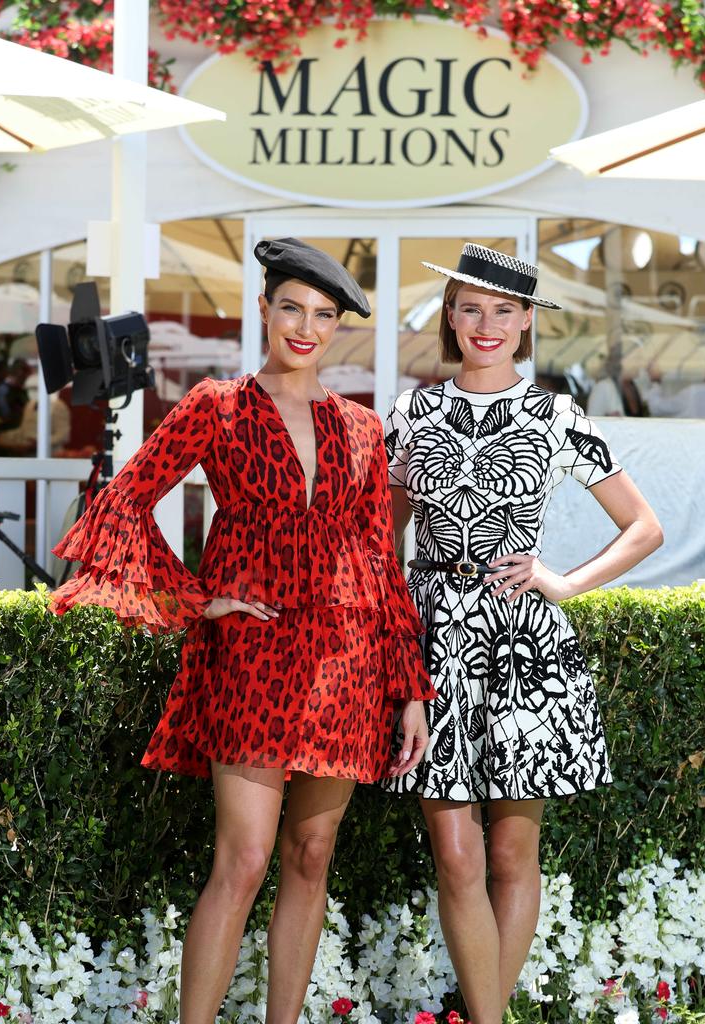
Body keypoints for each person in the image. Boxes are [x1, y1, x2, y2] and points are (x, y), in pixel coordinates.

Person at [50, 237, 437, 1024]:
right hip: (253, 658)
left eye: (324, 315)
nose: (305, 327)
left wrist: (409, 692)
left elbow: (380, 562)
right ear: (263, 310)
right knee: (245, 859)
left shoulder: (363, 429)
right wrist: (196, 600)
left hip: (346, 663)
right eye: (291, 307)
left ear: (338, 330)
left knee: (310, 856)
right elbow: (123, 500)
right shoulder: (217, 405)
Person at [383, 243, 663, 1022]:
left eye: (504, 310)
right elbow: (383, 541)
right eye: (471, 307)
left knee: (511, 854)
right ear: (448, 314)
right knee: (456, 856)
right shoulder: (413, 413)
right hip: (433, 640)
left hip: (524, 647)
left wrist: (565, 581)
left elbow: (644, 528)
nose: (486, 324)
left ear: (527, 322)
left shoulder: (556, 415)